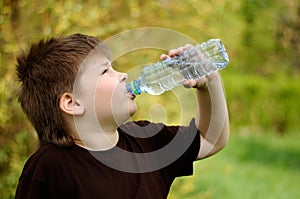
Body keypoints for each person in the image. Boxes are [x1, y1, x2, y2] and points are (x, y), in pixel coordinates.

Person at [14, 33, 229, 199]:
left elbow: (210, 139)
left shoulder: (147, 141)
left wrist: (209, 83)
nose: (124, 75)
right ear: (73, 103)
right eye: (105, 71)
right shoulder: (50, 167)